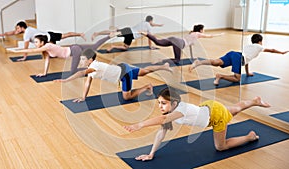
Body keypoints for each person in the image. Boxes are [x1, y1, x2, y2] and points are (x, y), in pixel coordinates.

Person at [123, 88, 270, 161]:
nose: (160, 106)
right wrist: (151, 154)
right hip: (210, 108)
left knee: (221, 146)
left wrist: (139, 125)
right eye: (159, 103)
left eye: (163, 103)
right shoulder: (170, 114)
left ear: (174, 103)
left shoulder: (181, 110)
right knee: (234, 110)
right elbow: (161, 132)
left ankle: (249, 137)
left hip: (215, 115)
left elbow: (161, 121)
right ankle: (254, 101)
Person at [54, 48, 172, 102]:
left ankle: (147, 86)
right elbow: (87, 82)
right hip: (123, 67)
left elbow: (80, 73)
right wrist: (83, 97)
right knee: (144, 71)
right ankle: (163, 67)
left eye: (83, 59)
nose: (81, 61)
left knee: (127, 97)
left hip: (124, 73)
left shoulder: (95, 66)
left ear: (90, 60)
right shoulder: (92, 67)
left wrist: (65, 81)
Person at [189, 34, 289, 85]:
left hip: (234, 54)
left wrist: (248, 72)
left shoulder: (249, 47)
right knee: (237, 79)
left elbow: (246, 61)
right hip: (238, 57)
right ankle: (220, 76)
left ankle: (199, 62)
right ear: (260, 41)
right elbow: (271, 50)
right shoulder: (259, 47)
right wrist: (281, 52)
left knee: (216, 62)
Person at [10, 32, 117, 77]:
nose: (35, 44)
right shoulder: (46, 50)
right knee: (94, 47)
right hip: (73, 48)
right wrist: (44, 73)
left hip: (74, 51)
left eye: (37, 42)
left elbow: (32, 51)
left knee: (73, 72)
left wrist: (17, 51)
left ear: (42, 42)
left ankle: (94, 69)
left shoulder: (47, 46)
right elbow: (47, 61)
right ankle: (110, 36)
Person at [0, 21, 86, 61]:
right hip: (47, 37)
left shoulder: (27, 33)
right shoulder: (27, 29)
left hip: (49, 37)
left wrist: (24, 56)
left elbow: (26, 46)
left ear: (22, 27)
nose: (17, 30)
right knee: (49, 50)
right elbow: (13, 32)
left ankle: (80, 35)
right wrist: (3, 35)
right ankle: (80, 36)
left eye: (18, 28)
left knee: (65, 35)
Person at [141, 24, 224, 64]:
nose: (204, 31)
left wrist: (192, 58)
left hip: (175, 39)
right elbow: (210, 36)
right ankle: (160, 60)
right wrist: (220, 34)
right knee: (177, 60)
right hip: (179, 43)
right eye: (203, 29)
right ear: (201, 30)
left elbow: (190, 46)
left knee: (158, 42)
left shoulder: (191, 33)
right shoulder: (198, 34)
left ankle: (146, 34)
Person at [91, 15, 163, 52]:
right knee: (125, 47)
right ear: (151, 20)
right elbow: (149, 37)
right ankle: (112, 46)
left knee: (112, 33)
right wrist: (150, 46)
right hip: (130, 34)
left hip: (128, 30)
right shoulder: (148, 26)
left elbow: (152, 24)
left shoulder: (144, 22)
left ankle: (97, 33)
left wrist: (159, 25)